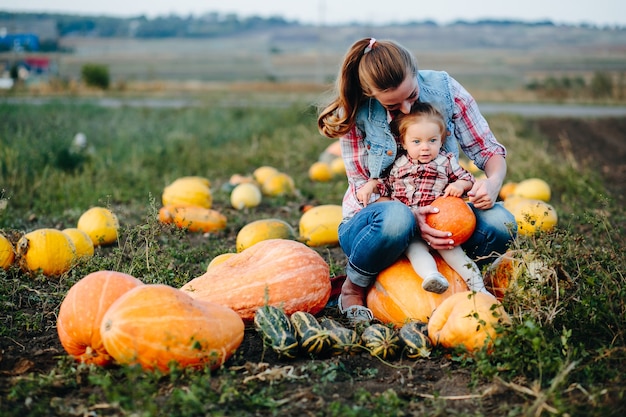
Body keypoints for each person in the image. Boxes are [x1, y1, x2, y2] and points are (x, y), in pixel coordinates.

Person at [317, 38, 515, 324]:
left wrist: (492, 182)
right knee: (398, 219)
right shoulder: (355, 113)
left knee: (500, 223)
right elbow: (364, 189)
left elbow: (487, 149)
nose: (408, 109)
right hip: (378, 221)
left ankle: (454, 276)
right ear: (370, 94)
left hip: (440, 217)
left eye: (412, 95)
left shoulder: (446, 89)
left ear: (416, 73)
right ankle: (355, 286)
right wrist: (412, 217)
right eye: (394, 104)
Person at [386, 101, 490, 295]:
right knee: (416, 251)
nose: (425, 148)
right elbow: (385, 189)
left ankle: (480, 289)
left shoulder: (446, 161)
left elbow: (468, 179)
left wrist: (459, 185)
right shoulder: (398, 166)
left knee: (457, 256)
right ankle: (432, 276)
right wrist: (370, 185)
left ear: (441, 140)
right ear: (403, 142)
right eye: (416, 142)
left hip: (441, 227)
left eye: (432, 141)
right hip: (412, 227)